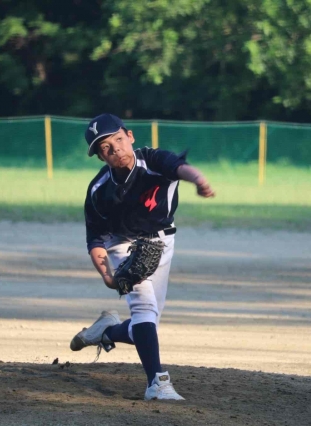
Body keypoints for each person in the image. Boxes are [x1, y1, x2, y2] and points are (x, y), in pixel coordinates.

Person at [69, 113, 215, 401]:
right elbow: (95, 239)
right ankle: (156, 383)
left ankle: (107, 332)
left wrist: (199, 180)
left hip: (163, 241)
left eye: (118, 140)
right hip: (122, 244)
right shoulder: (99, 190)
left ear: (130, 136)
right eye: (105, 148)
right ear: (100, 156)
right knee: (144, 310)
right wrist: (109, 277)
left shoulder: (153, 160)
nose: (115, 149)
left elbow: (179, 168)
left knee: (146, 325)